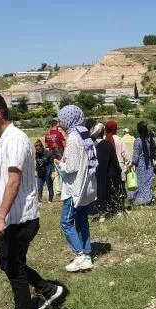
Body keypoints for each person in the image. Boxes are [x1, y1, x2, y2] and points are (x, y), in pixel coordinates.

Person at [0, 92, 65, 309]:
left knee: (13, 266)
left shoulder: (14, 139)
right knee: (7, 262)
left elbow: (13, 182)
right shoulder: (5, 138)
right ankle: (47, 289)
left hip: (19, 218)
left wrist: (0, 217)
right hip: (14, 216)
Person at [56, 105, 98, 273]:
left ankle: (79, 255)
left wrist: (60, 163)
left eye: (60, 119)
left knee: (66, 222)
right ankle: (87, 255)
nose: (59, 123)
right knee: (81, 220)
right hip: (87, 186)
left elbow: (70, 167)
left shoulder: (73, 138)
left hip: (75, 189)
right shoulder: (84, 133)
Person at [91, 123, 123, 218]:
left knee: (99, 193)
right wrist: (119, 170)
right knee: (111, 192)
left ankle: (101, 213)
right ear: (102, 132)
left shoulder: (92, 146)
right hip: (108, 174)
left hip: (95, 174)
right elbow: (114, 160)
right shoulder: (107, 144)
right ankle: (115, 210)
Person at [130, 121, 156, 206]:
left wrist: (132, 164)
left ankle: (140, 200)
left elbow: (135, 156)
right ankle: (148, 199)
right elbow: (154, 152)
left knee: (140, 183)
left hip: (141, 166)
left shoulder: (138, 141)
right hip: (149, 165)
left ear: (138, 130)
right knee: (147, 183)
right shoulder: (151, 139)